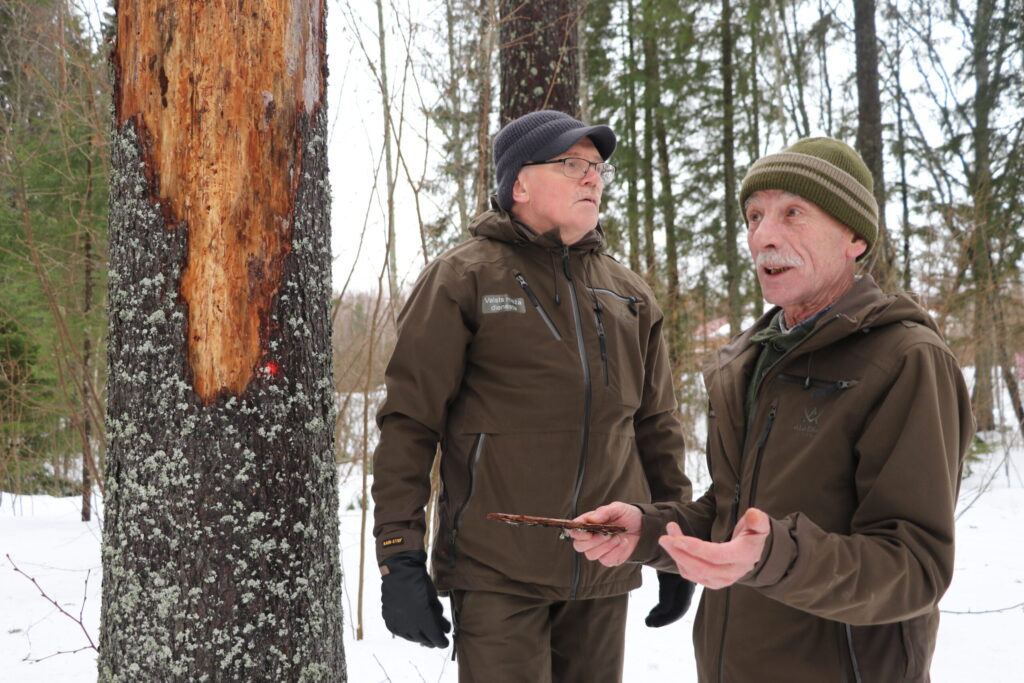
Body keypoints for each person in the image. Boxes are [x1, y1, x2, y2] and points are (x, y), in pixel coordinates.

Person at [570, 137, 974, 683]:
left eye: (793, 213)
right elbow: (732, 514)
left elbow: (914, 567)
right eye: (755, 215)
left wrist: (769, 556)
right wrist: (646, 530)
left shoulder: (904, 360)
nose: (763, 236)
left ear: (855, 236)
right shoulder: (747, 363)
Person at [370, 109, 694, 682]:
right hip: (497, 574)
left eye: (596, 168)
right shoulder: (462, 279)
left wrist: (672, 541)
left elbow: (657, 428)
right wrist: (399, 554)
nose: (592, 178)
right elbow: (409, 423)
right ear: (519, 183)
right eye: (572, 164)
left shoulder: (629, 295)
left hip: (602, 568)